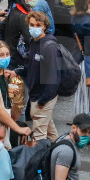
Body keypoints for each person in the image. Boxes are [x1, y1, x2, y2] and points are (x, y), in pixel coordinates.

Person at [0, 40, 32, 143]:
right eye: (1, 55)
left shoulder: (3, 74)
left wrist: (16, 97)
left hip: (3, 127)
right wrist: (18, 128)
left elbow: (13, 113)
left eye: (7, 54)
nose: (5, 58)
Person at [25, 10, 62, 141]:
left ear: (44, 26)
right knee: (50, 131)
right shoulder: (33, 42)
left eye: (38, 25)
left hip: (43, 96)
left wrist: (43, 100)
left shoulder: (49, 46)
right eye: (31, 24)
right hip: (36, 93)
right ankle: (60, 150)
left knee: (39, 136)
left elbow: (53, 76)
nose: (34, 28)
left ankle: (41, 159)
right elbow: (30, 66)